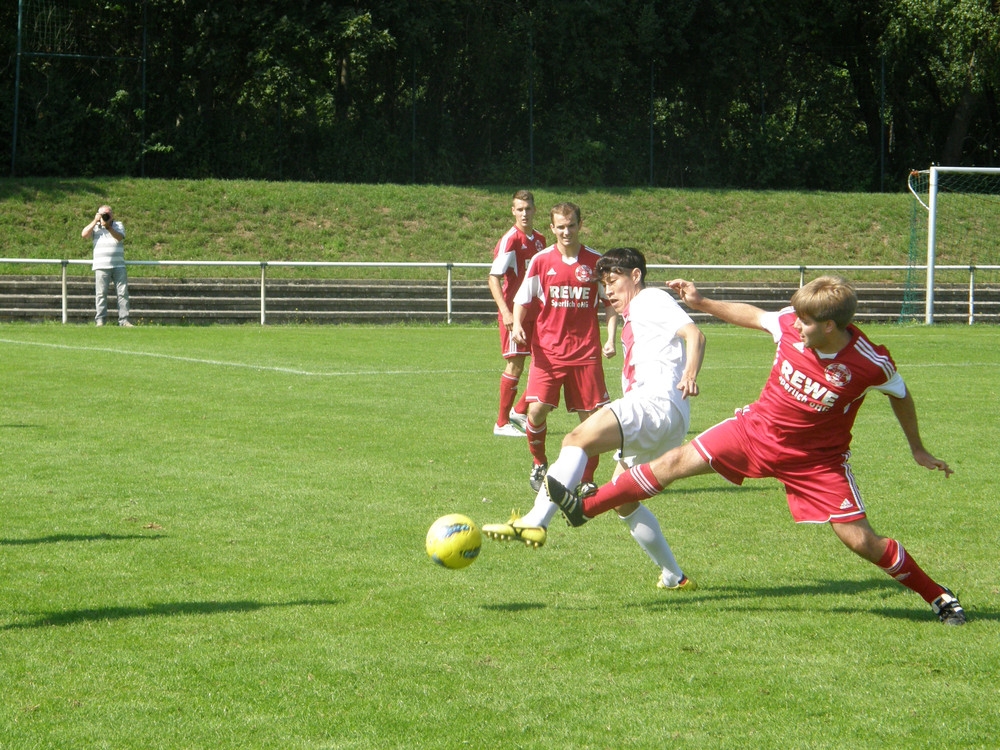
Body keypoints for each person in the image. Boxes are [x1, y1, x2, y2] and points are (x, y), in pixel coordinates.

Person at [547, 275, 966, 624]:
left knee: (862, 542)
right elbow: (755, 315)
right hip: (754, 431)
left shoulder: (869, 362)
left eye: (805, 323)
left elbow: (901, 393)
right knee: (673, 461)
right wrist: (703, 301)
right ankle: (587, 508)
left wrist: (917, 449)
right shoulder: (789, 324)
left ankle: (939, 596)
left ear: (831, 327)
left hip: (815, 462)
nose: (794, 326)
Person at [484, 248, 706, 590]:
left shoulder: (649, 299)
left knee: (576, 440)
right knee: (624, 502)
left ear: (635, 276)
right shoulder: (638, 311)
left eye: (614, 282)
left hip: (654, 403)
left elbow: (695, 334)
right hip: (669, 419)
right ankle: (675, 576)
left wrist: (690, 373)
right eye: (604, 285)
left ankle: (535, 521)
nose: (609, 292)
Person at [507, 202, 618, 495]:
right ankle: (539, 463)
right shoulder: (541, 261)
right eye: (560, 226)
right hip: (548, 351)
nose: (566, 232)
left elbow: (610, 305)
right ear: (552, 227)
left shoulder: (596, 262)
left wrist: (610, 339)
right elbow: (522, 299)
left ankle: (587, 479)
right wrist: (517, 324)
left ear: (579, 225)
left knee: (592, 422)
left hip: (585, 354)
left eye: (571, 225)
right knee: (537, 411)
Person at [488, 190, 547, 436]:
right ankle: (501, 423)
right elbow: (494, 278)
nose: (524, 213)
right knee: (516, 366)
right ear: (513, 211)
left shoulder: (541, 239)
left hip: (537, 313)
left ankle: (519, 410)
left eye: (528, 208)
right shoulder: (510, 239)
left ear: (534, 210)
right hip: (515, 314)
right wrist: (507, 313)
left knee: (546, 363)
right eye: (519, 209)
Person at [81, 204, 133, 327]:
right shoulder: (95, 227)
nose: (106, 216)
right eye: (103, 214)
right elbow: (84, 234)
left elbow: (119, 238)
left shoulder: (118, 225)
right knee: (101, 294)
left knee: (122, 293)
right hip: (101, 265)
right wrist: (95, 220)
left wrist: (108, 227)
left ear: (112, 215)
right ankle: (100, 320)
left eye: (108, 214)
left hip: (118, 265)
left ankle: (124, 320)